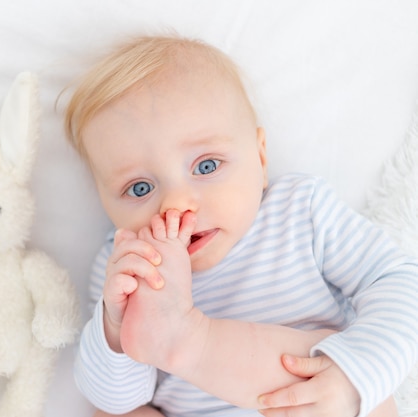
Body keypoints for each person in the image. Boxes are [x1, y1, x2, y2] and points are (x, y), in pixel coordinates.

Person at [64, 34, 418, 417]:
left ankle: (186, 340)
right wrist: (114, 333)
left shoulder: (299, 211)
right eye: (140, 188)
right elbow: (116, 398)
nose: (176, 205)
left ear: (260, 159)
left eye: (206, 166)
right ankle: (178, 339)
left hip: (309, 401)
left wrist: (362, 370)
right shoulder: (128, 266)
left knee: (363, 389)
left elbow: (395, 280)